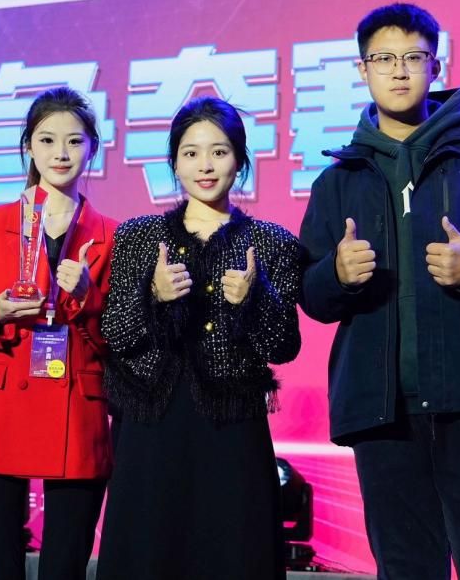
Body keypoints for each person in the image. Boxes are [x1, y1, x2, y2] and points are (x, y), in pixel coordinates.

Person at [298, 2, 460, 580]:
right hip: (383, 413)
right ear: (362, 69)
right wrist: (336, 275)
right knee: (405, 569)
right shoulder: (338, 180)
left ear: (435, 66)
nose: (399, 70)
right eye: (383, 58)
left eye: (413, 57)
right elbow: (311, 296)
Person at [97, 96, 302, 580]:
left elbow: (285, 347)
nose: (205, 166)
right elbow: (114, 334)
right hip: (151, 424)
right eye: (190, 153)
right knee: (147, 555)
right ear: (174, 163)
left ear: (240, 160)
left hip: (232, 427)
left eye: (219, 152)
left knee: (233, 553)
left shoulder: (273, 242)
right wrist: (152, 295)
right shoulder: (138, 236)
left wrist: (255, 299)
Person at [0, 86, 118, 580]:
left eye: (74, 141)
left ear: (93, 147)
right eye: (47, 140)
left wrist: (87, 297)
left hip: (77, 409)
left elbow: (121, 340)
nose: (60, 153)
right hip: (1, 405)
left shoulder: (112, 233)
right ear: (28, 147)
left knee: (65, 566)